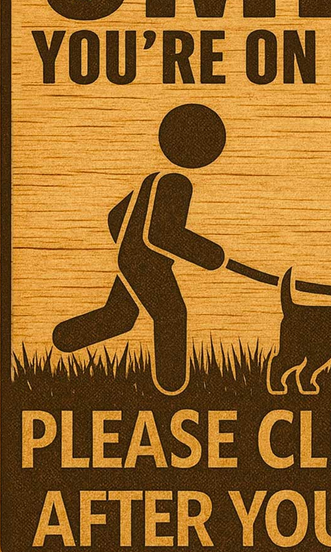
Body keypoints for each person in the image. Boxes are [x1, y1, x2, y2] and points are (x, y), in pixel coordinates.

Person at [52, 103, 226, 395]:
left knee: (119, 316)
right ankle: (173, 386)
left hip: (132, 258)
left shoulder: (152, 180)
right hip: (147, 262)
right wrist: (210, 255)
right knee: (172, 314)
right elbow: (164, 234)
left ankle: (66, 337)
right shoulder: (177, 183)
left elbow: (116, 216)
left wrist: (129, 247)